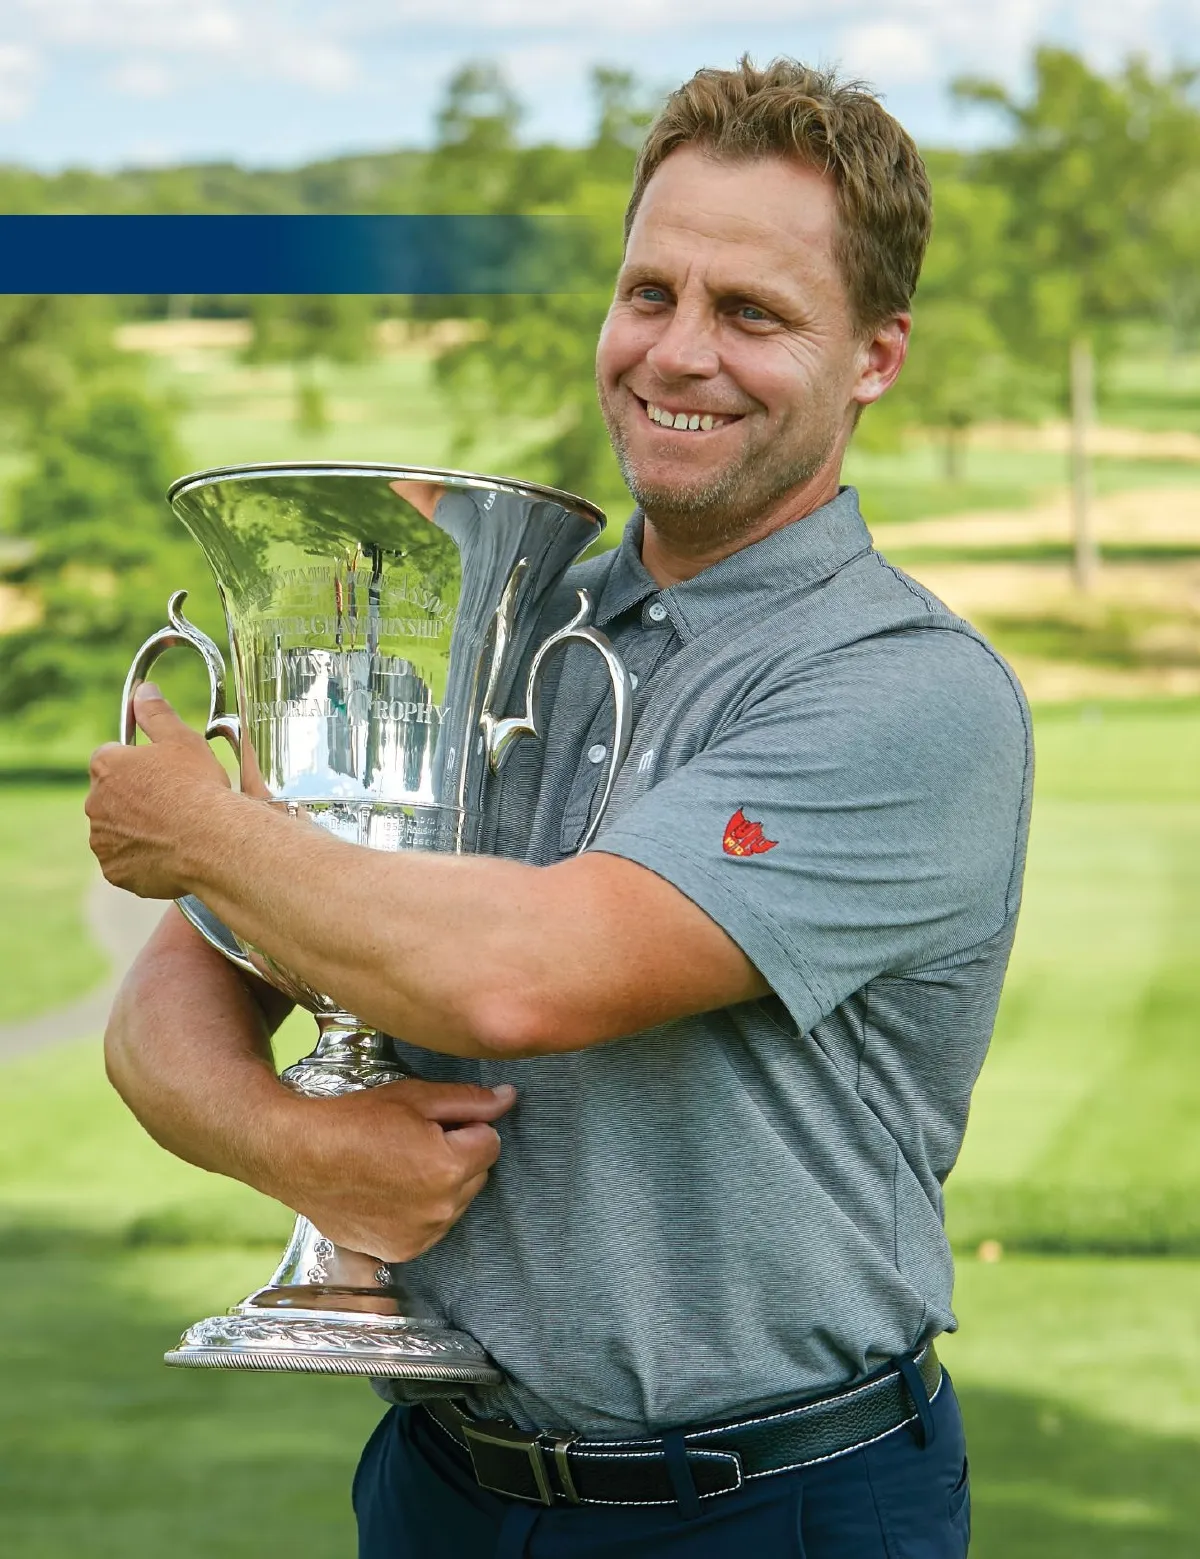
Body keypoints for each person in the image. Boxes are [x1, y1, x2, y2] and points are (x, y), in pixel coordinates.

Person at [87, 57, 1031, 1559]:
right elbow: (164, 1014)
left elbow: (524, 976)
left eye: (755, 313)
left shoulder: (909, 692)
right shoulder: (495, 623)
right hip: (441, 1490)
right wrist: (290, 1141)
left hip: (771, 1507)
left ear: (876, 357)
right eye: (650, 292)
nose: (680, 352)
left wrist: (206, 830)